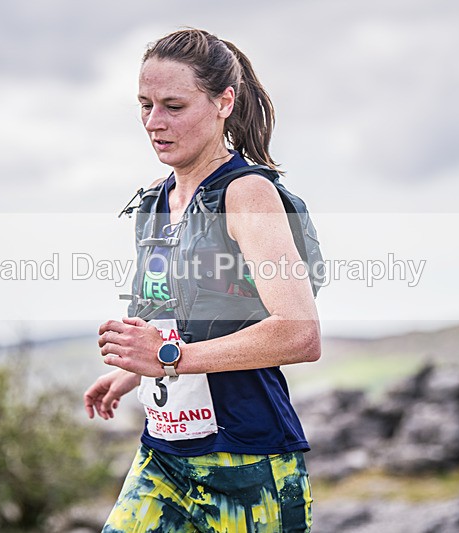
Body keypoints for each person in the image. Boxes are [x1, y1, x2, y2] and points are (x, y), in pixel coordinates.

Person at [84, 28, 321, 533]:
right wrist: (133, 370)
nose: (153, 122)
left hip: (248, 463)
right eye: (144, 105)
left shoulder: (247, 194)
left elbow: (300, 334)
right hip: (163, 455)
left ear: (223, 102)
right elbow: (181, 319)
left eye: (173, 105)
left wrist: (167, 359)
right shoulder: (153, 200)